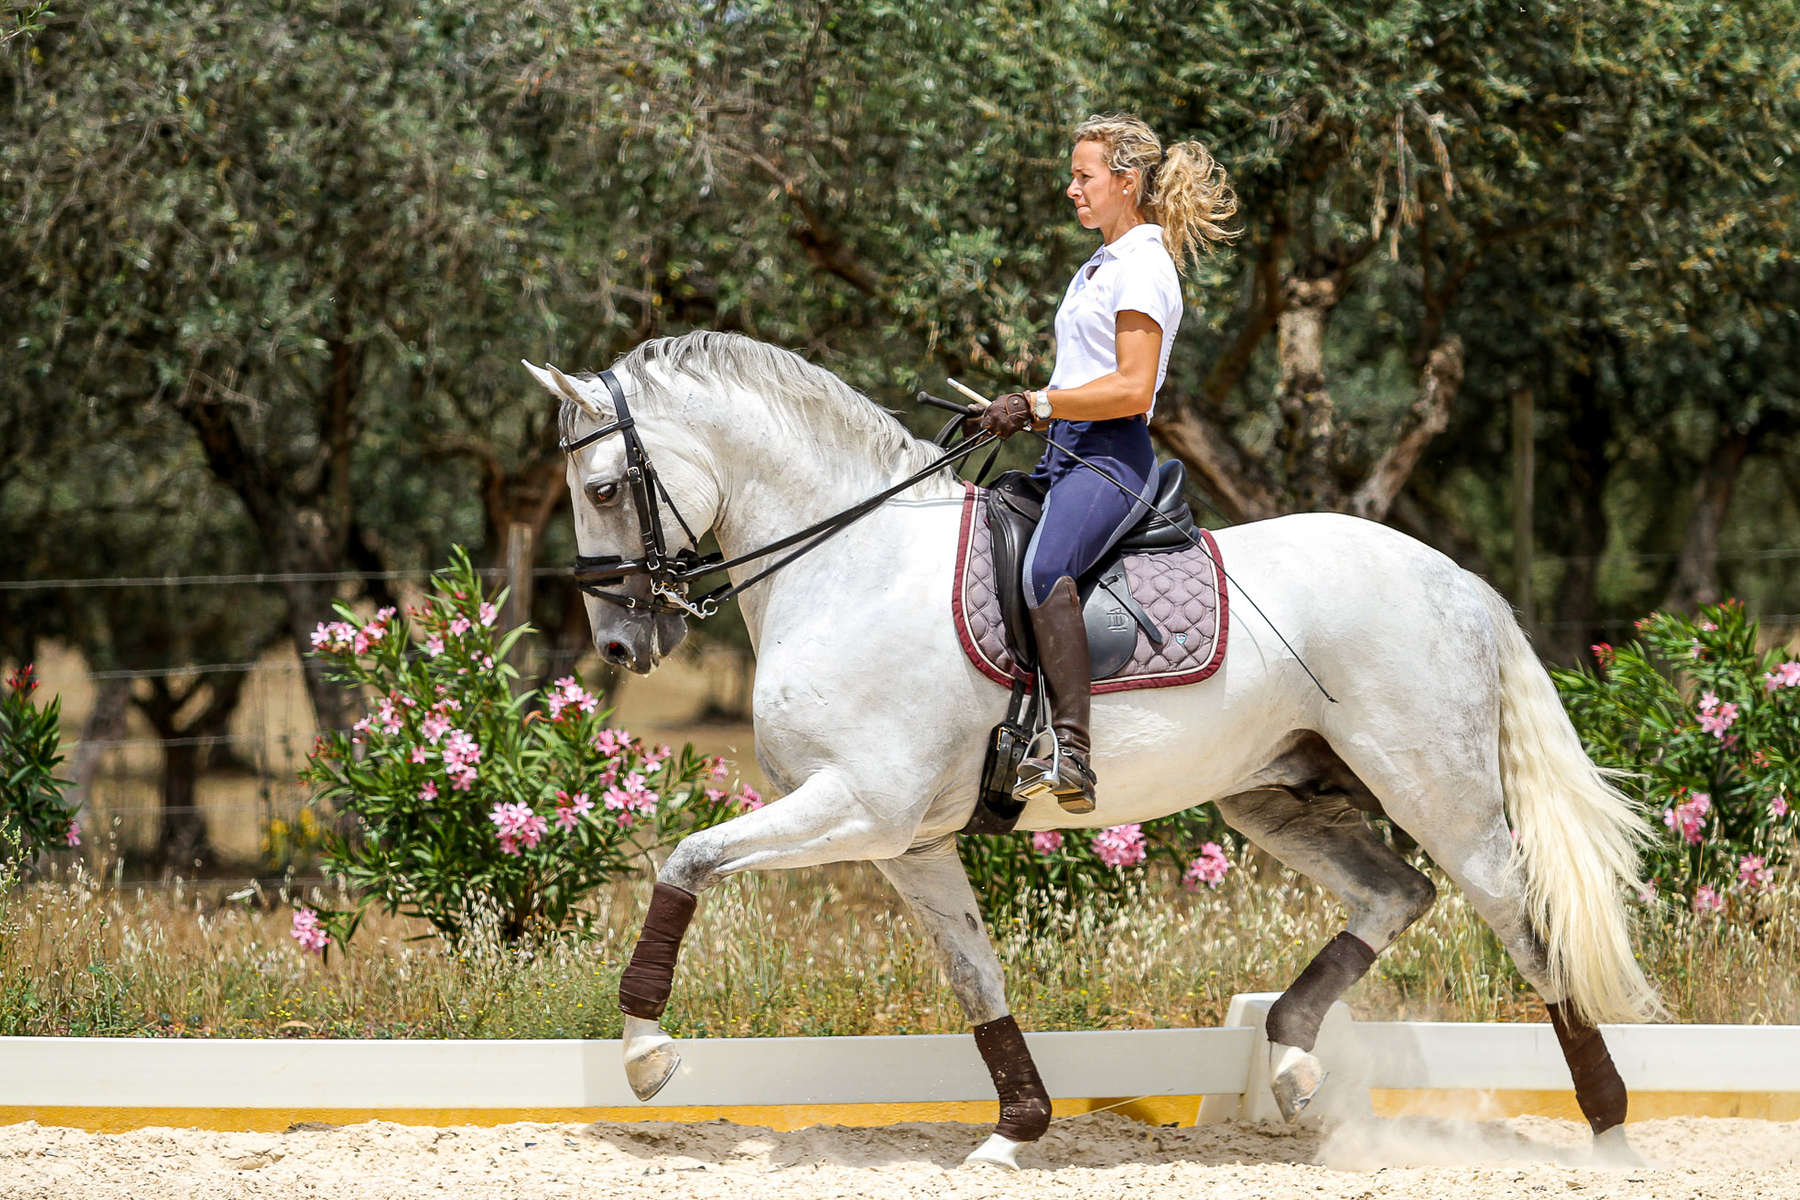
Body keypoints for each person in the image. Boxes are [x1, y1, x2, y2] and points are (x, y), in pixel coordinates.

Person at [969, 113, 1239, 815]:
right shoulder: (1100, 265)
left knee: (1043, 569)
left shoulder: (1145, 267)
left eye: (1083, 176)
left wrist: (1037, 403)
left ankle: (1073, 752)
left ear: (1125, 182)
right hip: (1065, 457)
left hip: (1111, 457)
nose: (1071, 190)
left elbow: (1131, 388)